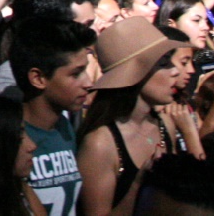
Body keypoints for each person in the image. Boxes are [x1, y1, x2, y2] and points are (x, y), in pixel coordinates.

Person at [77, 17, 192, 216]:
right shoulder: (100, 144)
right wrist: (139, 184)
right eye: (164, 63)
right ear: (134, 74)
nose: (175, 71)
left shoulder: (165, 124)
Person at [9, 17, 96, 216]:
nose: (88, 82)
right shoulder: (9, 137)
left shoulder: (64, 127)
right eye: (76, 74)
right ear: (38, 78)